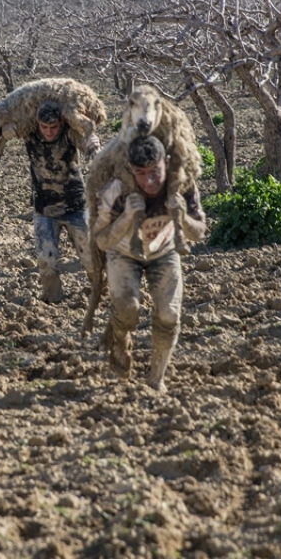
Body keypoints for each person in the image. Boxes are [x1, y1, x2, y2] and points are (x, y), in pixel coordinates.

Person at [91, 135, 207, 391]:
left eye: (155, 171)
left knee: (169, 314)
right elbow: (101, 240)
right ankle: (120, 340)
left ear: (165, 162)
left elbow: (199, 232)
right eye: (141, 174)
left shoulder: (181, 185)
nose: (149, 180)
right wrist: (127, 216)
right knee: (127, 310)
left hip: (163, 252)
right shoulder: (118, 190)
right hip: (123, 254)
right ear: (132, 171)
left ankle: (156, 378)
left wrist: (182, 217)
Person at [25, 99, 97, 304]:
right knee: (46, 259)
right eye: (44, 127)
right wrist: (5, 130)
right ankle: (52, 299)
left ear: (62, 123)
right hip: (44, 208)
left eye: (53, 127)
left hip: (75, 205)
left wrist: (91, 143)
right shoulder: (29, 133)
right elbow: (5, 119)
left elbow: (85, 140)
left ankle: (100, 288)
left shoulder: (70, 132)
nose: (49, 132)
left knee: (90, 256)